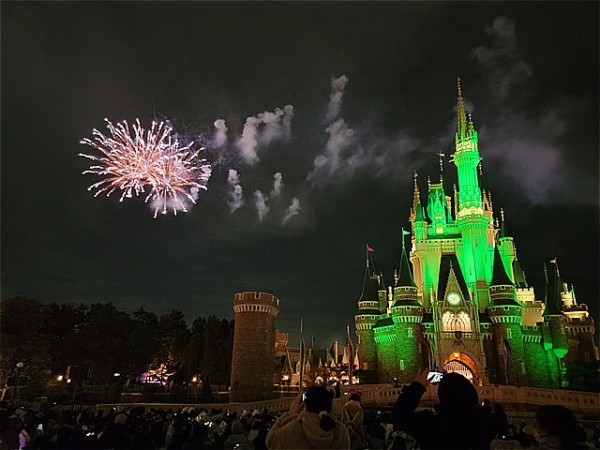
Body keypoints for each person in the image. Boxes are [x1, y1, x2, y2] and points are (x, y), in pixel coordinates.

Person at [392, 369, 491, 450]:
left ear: (442, 395)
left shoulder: (434, 426)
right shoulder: (482, 424)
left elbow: (400, 414)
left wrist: (418, 385)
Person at [266, 385, 350, 449]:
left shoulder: (294, 429)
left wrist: (289, 414)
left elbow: (270, 441)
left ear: (305, 405)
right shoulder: (340, 431)